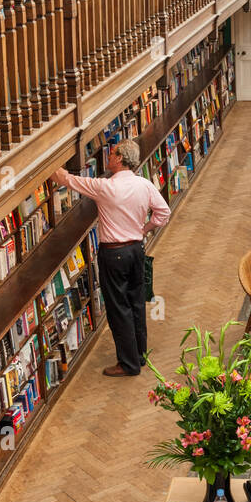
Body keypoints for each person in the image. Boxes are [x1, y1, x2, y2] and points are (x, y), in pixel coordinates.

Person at [52, 140, 170, 377]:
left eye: (113, 153)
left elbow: (66, 180)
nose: (109, 155)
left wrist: (49, 160)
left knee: (119, 309)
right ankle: (139, 354)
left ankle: (128, 364)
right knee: (136, 303)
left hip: (113, 253)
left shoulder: (104, 187)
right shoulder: (145, 185)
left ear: (119, 159)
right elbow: (163, 213)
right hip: (136, 250)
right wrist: (143, 229)